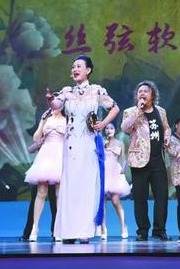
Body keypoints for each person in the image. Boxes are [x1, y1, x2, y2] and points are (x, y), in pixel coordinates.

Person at [46, 55, 120, 244]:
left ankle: (84, 231)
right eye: (73, 67)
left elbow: (115, 108)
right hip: (71, 144)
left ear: (88, 70)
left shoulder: (97, 90)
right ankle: (68, 231)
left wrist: (103, 123)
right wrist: (50, 100)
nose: (75, 69)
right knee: (70, 186)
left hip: (89, 143)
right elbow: (56, 105)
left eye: (79, 66)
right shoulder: (67, 91)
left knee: (87, 185)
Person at [121, 81, 171, 241]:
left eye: (146, 91)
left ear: (153, 95)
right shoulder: (130, 112)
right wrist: (138, 111)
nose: (142, 94)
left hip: (157, 160)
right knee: (140, 198)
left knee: (162, 195)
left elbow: (167, 128)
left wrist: (167, 136)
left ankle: (159, 230)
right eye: (139, 91)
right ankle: (142, 231)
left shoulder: (161, 111)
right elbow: (125, 128)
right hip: (139, 160)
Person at [23, 108, 66, 241]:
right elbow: (36, 139)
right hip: (46, 156)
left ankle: (58, 229)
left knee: (59, 194)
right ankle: (35, 228)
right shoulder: (47, 119)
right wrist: (42, 122)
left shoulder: (66, 120)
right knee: (41, 192)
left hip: (60, 155)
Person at [101, 123, 130, 240]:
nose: (109, 130)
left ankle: (123, 226)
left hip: (114, 172)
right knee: (102, 203)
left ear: (115, 130)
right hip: (104, 172)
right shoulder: (102, 142)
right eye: (107, 128)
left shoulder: (119, 143)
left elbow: (123, 158)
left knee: (115, 201)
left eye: (111, 128)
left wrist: (123, 168)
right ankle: (103, 228)